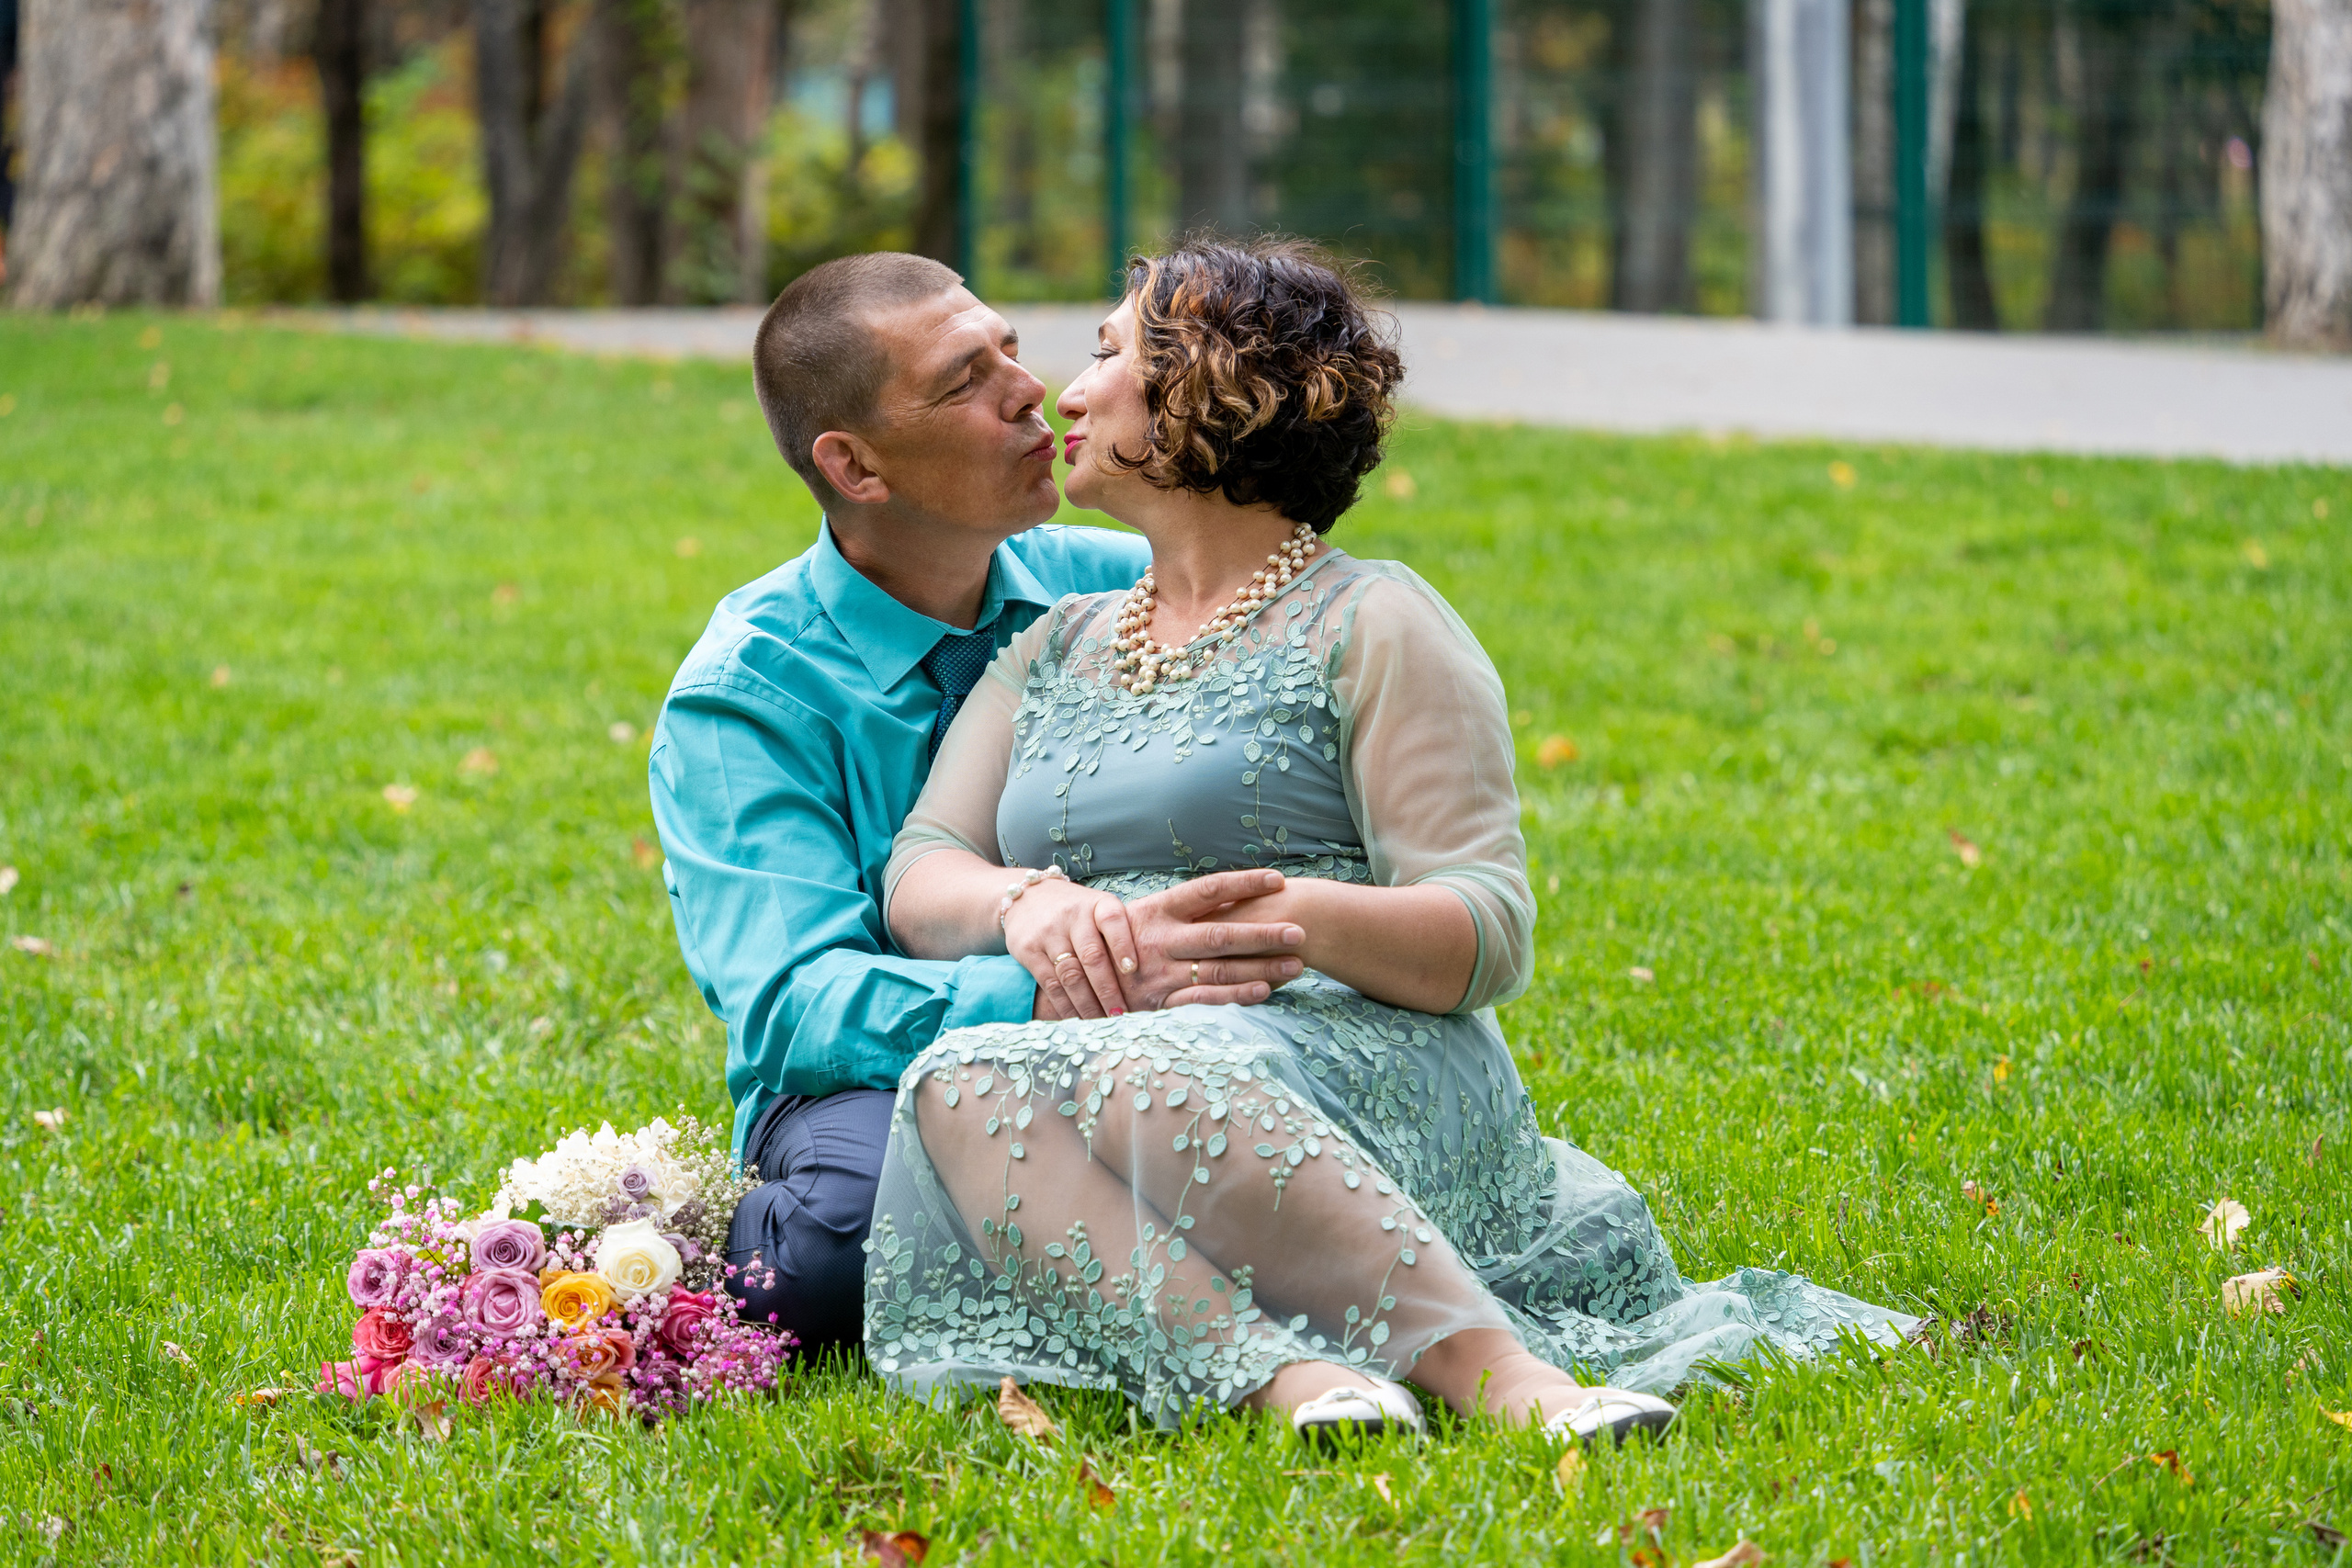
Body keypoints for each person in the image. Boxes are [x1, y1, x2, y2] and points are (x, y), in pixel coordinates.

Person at [865, 238, 1917, 1443]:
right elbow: (923, 866)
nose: (1070, 389)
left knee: (1145, 1063)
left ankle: (1516, 1382)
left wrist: (1258, 924)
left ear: (1214, 393)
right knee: (953, 1079)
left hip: (1350, 1052)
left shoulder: (1378, 618)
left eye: (1110, 353)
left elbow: (1485, 930)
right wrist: (1030, 909)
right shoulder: (1057, 641)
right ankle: (1293, 1381)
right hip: (1111, 1052)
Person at [650, 254, 1311, 1356]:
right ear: (855, 466)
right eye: (964, 382)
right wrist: (1062, 985)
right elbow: (794, 1003)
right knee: (823, 1258)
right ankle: (657, 1235)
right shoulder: (746, 696)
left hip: (1170, 1028)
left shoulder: (1113, 584)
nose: (1029, 390)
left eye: (1008, 347)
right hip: (870, 1080)